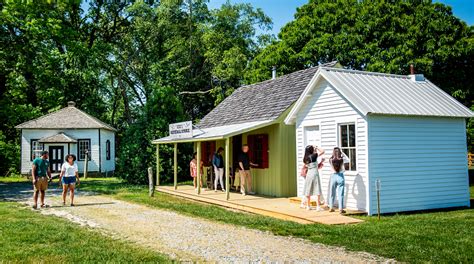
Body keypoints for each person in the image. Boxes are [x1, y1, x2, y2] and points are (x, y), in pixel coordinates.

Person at [302, 145, 325, 211]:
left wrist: (314, 150)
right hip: (314, 173)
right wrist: (317, 147)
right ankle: (318, 206)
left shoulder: (305, 158)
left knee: (308, 189)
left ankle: (308, 206)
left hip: (309, 173)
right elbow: (323, 151)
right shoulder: (314, 156)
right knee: (317, 188)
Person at [328, 147, 350, 214]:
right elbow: (348, 160)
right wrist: (342, 153)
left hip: (333, 176)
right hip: (340, 176)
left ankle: (331, 207)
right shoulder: (342, 159)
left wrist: (333, 154)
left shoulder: (330, 159)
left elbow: (332, 161)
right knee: (341, 194)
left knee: (332, 193)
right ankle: (341, 209)